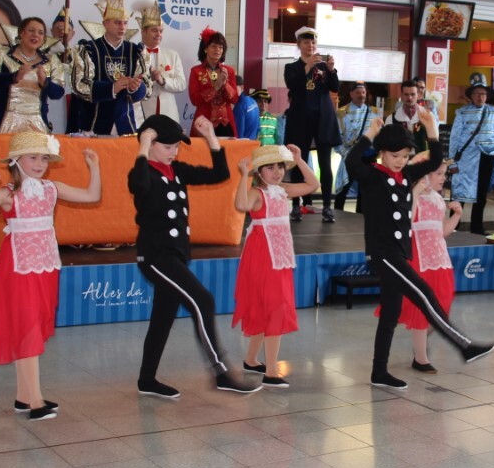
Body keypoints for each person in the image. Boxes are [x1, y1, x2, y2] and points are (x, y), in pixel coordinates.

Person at [345, 110, 494, 390]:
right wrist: (369, 134)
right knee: (425, 293)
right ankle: (464, 346)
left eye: (405, 156)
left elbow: (436, 160)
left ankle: (379, 371)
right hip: (383, 254)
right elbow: (351, 160)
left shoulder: (406, 175)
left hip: (399, 253)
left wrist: (431, 129)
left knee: (391, 313)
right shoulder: (372, 176)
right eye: (394, 155)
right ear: (381, 154)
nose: (400, 161)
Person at [0, 132, 101, 420]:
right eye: (33, 157)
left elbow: (92, 196)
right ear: (16, 160)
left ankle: (23, 397)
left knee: (32, 326)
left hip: (45, 267)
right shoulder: (7, 194)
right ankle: (35, 401)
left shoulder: (52, 188)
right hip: (18, 269)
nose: (40, 164)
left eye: (44, 158)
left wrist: (94, 167)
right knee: (27, 329)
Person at [130, 113, 259, 398]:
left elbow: (220, 174)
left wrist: (211, 136)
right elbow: (139, 185)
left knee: (163, 317)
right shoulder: (143, 172)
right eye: (167, 146)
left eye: (177, 146)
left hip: (176, 255)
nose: (174, 152)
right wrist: (143, 145)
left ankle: (146, 380)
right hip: (155, 257)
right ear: (150, 144)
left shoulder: (177, 170)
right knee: (203, 300)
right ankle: (222, 373)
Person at [232, 144, 318, 388]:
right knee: (275, 307)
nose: (277, 172)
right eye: (270, 168)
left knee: (269, 307)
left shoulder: (282, 190)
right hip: (262, 256)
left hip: (280, 256)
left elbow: (313, 185)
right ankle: (270, 371)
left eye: (280, 166)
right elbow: (241, 205)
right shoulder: (257, 193)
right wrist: (243, 176)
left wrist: (299, 160)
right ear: (259, 172)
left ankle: (251, 360)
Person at [383, 162, 462, 374]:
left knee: (442, 305)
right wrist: (416, 192)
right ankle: (421, 358)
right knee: (421, 309)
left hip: (440, 260)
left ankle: (420, 343)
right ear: (424, 175)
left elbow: (443, 231)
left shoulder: (438, 199)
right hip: (419, 259)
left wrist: (457, 215)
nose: (443, 178)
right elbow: (405, 221)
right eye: (439, 174)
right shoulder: (411, 196)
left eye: (444, 174)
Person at [71, 0, 150, 134]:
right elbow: (79, 86)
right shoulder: (89, 49)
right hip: (94, 124)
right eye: (117, 23)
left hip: (127, 124)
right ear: (105, 23)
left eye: (125, 23)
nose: (122, 27)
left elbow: (147, 88)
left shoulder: (135, 51)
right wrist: (112, 88)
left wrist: (136, 88)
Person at [284, 26, 341, 222]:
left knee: (325, 164)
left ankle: (327, 206)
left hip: (323, 119)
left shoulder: (324, 68)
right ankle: (296, 205)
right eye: (306, 42)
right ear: (299, 45)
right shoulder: (291, 67)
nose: (311, 45)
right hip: (300, 120)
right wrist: (307, 67)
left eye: (313, 42)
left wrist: (331, 70)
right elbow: (293, 86)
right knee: (298, 161)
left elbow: (335, 87)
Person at [0, 17, 66, 135]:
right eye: (31, 30)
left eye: (40, 33)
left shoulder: (51, 61)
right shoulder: (1, 52)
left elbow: (58, 93)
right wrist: (14, 77)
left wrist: (45, 83)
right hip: (1, 123)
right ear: (21, 33)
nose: (35, 35)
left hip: (37, 125)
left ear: (43, 39)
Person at [449, 81, 494, 234]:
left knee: (481, 195)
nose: (480, 97)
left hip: (487, 158)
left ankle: (477, 227)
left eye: (483, 94)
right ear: (471, 96)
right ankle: (452, 227)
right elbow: (454, 138)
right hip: (465, 160)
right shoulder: (462, 112)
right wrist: (452, 162)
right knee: (459, 193)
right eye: (477, 93)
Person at [135, 1, 187, 126]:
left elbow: (181, 84)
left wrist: (163, 81)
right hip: (142, 115)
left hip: (169, 115)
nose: (159, 34)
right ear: (143, 31)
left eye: (161, 31)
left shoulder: (172, 55)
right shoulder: (133, 54)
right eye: (154, 30)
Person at [334, 81, 381, 212]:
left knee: (365, 188)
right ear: (351, 94)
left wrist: (377, 151)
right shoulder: (341, 113)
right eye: (358, 92)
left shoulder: (374, 112)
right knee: (344, 187)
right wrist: (345, 153)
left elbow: (379, 134)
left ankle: (361, 214)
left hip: (368, 156)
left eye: (363, 92)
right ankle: (337, 212)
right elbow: (337, 137)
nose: (361, 95)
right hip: (350, 155)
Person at [188, 27, 238, 138]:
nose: (218, 50)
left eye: (221, 47)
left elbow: (234, 99)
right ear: (205, 49)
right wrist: (215, 87)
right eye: (214, 46)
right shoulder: (196, 71)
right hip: (203, 121)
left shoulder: (229, 71)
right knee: (202, 149)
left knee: (228, 149)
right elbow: (195, 100)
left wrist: (225, 84)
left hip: (226, 123)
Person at [384, 80, 429, 153]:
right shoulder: (391, 119)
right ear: (401, 95)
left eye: (413, 94)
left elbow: (434, 142)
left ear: (418, 95)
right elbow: (386, 145)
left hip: (422, 159)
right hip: (399, 159)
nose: (410, 98)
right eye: (406, 94)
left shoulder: (428, 116)